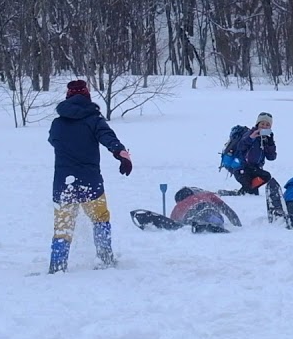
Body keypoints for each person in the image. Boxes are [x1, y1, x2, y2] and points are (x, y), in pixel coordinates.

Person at [48, 79, 133, 273]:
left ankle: (57, 266)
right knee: (100, 218)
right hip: (90, 181)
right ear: (87, 96)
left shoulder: (57, 123)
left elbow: (53, 140)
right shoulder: (94, 119)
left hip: (64, 184)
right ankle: (105, 259)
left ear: (67, 97)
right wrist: (121, 154)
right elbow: (108, 137)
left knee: (63, 227)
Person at [131, 187, 242, 233]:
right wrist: (237, 224)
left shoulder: (177, 208)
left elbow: (174, 223)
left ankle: (200, 225)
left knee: (188, 224)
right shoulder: (206, 195)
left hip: (189, 216)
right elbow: (228, 210)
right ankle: (210, 224)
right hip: (207, 208)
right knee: (215, 219)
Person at [233, 111, 277, 195]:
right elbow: (240, 147)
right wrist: (251, 138)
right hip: (242, 169)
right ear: (257, 124)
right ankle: (235, 195)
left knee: (266, 177)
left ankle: (237, 193)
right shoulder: (249, 134)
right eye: (262, 124)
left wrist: (271, 143)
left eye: (267, 125)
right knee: (249, 192)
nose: (264, 126)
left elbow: (271, 157)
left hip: (255, 169)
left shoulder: (266, 139)